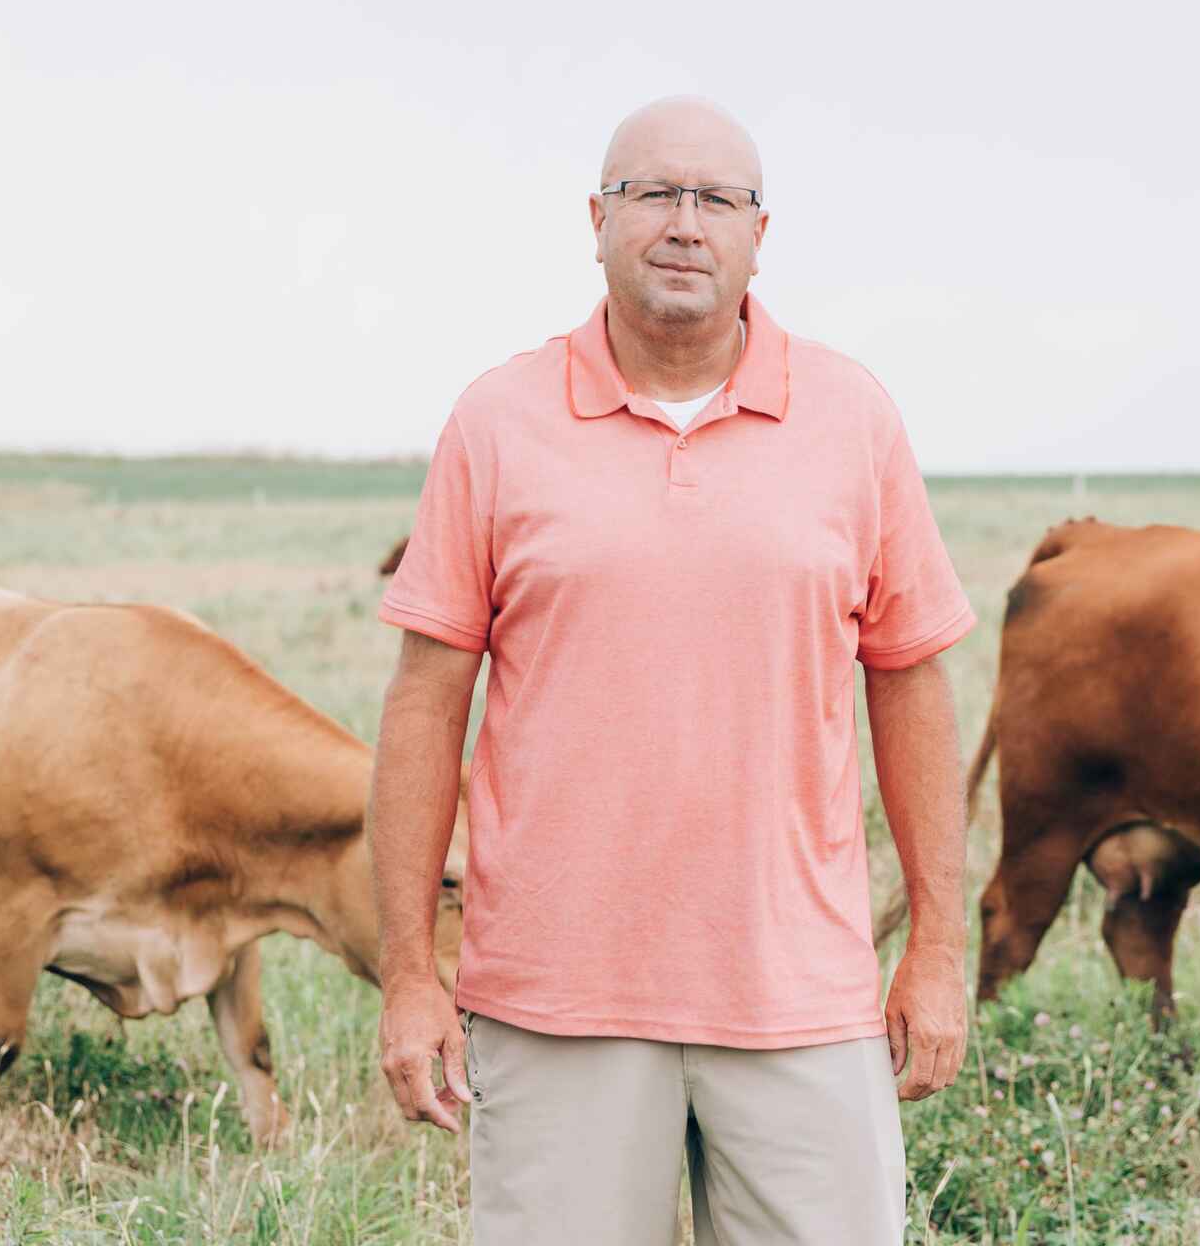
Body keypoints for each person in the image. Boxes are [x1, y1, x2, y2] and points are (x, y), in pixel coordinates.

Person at [371, 96, 974, 1245]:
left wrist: (937, 953)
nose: (683, 223)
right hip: (557, 1004)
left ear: (759, 233)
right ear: (596, 221)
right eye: (652, 194)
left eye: (716, 199)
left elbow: (909, 681)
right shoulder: (498, 422)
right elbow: (423, 703)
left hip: (802, 994)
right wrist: (410, 973)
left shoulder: (852, 418)